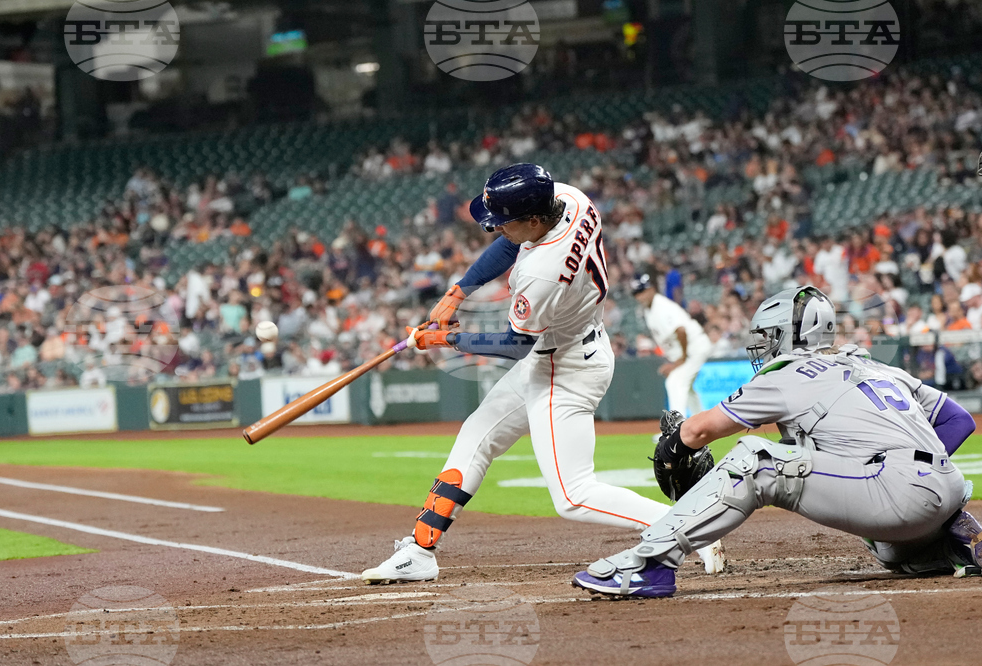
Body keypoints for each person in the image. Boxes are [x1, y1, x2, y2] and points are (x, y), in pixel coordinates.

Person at [361, 163, 725, 584]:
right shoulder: (569, 198)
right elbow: (512, 244)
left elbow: (517, 344)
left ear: (533, 218)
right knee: (475, 436)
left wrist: (445, 341)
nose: (495, 229)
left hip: (565, 367)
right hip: (566, 347)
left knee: (573, 496)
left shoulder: (542, 274)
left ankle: (690, 528)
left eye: (504, 221)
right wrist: (458, 291)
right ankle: (420, 551)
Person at [572, 286, 981, 598]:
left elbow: (699, 430)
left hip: (898, 493)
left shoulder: (786, 374)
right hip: (945, 487)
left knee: (757, 458)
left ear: (790, 334)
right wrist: (918, 471)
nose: (762, 344)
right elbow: (957, 420)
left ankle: (648, 564)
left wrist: (672, 446)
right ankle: (947, 544)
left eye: (768, 335)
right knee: (887, 548)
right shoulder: (868, 363)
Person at [632, 271, 713, 415]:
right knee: (686, 389)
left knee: (675, 382)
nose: (640, 296)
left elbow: (681, 331)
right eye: (637, 293)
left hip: (694, 346)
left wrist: (680, 359)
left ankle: (675, 428)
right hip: (687, 350)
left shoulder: (662, 306)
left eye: (643, 291)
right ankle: (700, 422)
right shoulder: (648, 310)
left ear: (652, 289)